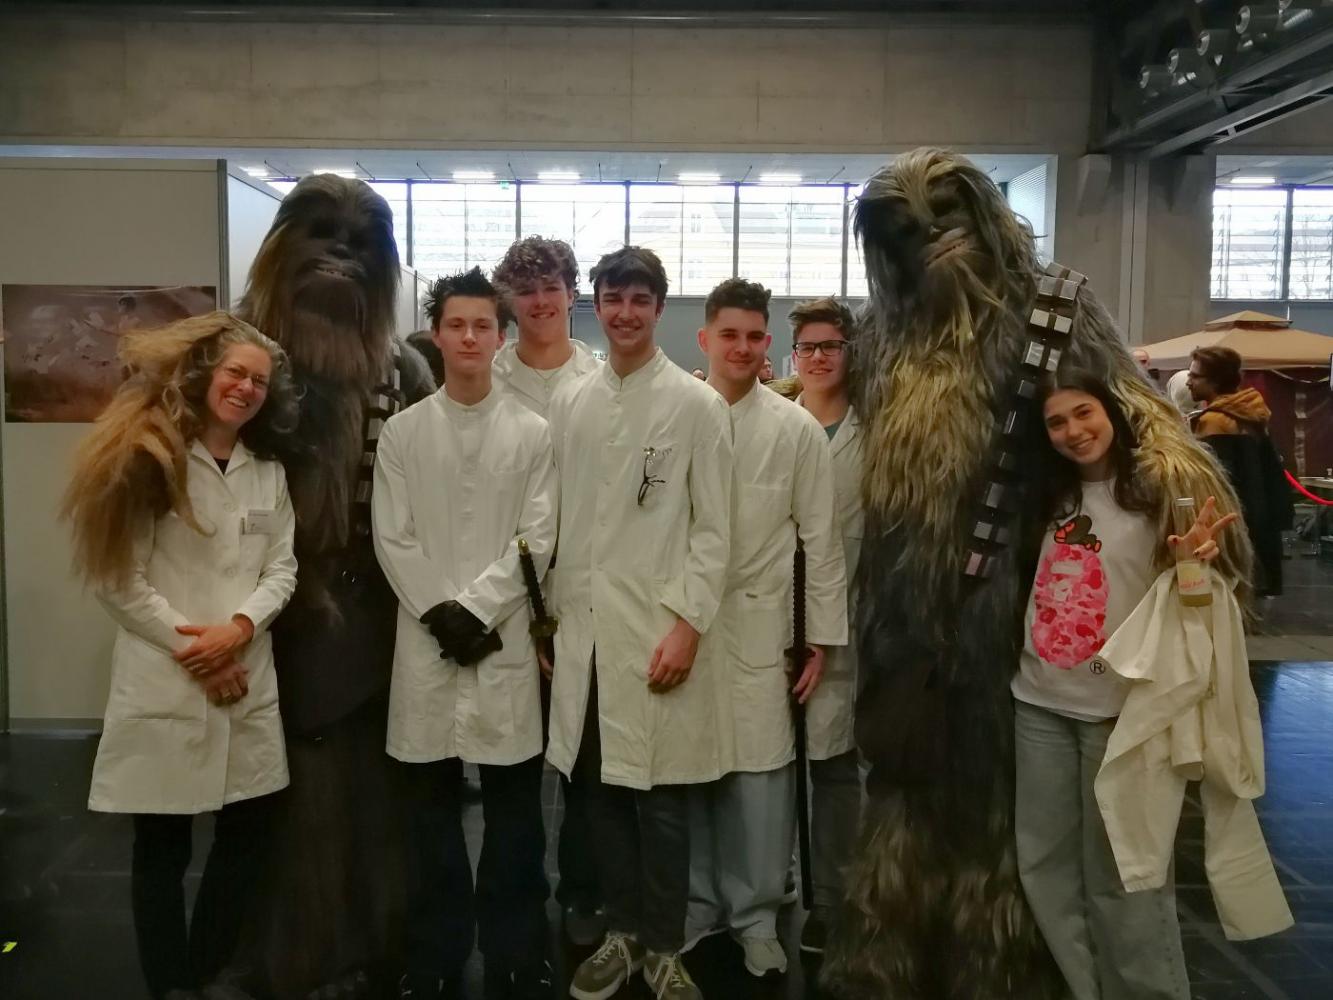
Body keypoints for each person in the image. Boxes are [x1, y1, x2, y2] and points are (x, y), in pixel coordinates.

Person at [62, 312, 299, 1000]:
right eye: (236, 373)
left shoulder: (268, 473)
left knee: (246, 837)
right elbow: (117, 580)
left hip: (244, 671)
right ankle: (169, 985)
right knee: (161, 851)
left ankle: (204, 971)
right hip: (170, 676)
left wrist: (240, 629)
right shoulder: (148, 461)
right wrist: (202, 652)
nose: (246, 388)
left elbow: (282, 569)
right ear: (203, 375)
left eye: (259, 381)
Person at [1014, 369, 1242, 1000]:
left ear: (1110, 411)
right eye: (1056, 422)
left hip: (1123, 714)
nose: (1073, 431)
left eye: (1083, 412)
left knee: (1127, 871)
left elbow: (1203, 603)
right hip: (1038, 704)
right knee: (1045, 866)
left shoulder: (1159, 491)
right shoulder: (1045, 498)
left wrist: (1196, 564)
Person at [545, 247, 733, 1000]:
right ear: (595, 304)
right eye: (613, 298)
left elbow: (713, 532)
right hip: (585, 633)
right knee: (598, 795)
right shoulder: (572, 401)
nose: (625, 313)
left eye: (639, 299)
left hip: (657, 629)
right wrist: (551, 622)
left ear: (659, 308)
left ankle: (663, 946)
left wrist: (688, 625)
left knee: (661, 803)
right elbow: (559, 520)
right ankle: (621, 933)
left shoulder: (695, 406)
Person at [373, 268, 558, 1000]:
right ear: (437, 334)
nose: (471, 337)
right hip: (427, 643)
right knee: (428, 819)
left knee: (514, 820)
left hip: (499, 643)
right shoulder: (404, 433)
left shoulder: (532, 432)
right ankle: (436, 952)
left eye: (484, 325)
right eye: (457, 325)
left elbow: (537, 536)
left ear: (501, 336)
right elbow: (392, 536)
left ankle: (516, 948)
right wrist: (441, 615)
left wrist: (475, 611)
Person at [686, 280, 846, 977]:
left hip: (762, 626)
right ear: (705, 339)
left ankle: (755, 916)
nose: (743, 348)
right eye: (730, 335)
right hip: (686, 624)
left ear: (768, 344)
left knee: (760, 778)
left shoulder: (794, 430)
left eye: (755, 336)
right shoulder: (674, 418)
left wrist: (818, 638)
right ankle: (696, 906)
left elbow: (822, 541)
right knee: (690, 772)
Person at [490, 235, 605, 947]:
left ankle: (585, 890)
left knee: (587, 761)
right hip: (506, 592)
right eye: (526, 290)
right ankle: (519, 898)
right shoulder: (487, 378)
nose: (539, 302)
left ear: (571, 294)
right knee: (513, 765)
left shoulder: (599, 379)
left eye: (550, 287)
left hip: (584, 592)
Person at [782, 296, 864, 957]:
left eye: (829, 346)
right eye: (807, 347)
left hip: (847, 621)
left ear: (850, 353)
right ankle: (772, 877)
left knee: (834, 764)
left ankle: (832, 898)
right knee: (771, 763)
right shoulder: (774, 419)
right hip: (771, 618)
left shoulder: (878, 433)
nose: (817, 357)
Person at [1187, 346, 1293, 597]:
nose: (1188, 381)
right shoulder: (1250, 412)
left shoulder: (1215, 421)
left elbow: (1216, 483)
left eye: (1195, 376)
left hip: (1232, 526)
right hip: (1260, 524)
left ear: (1215, 381)